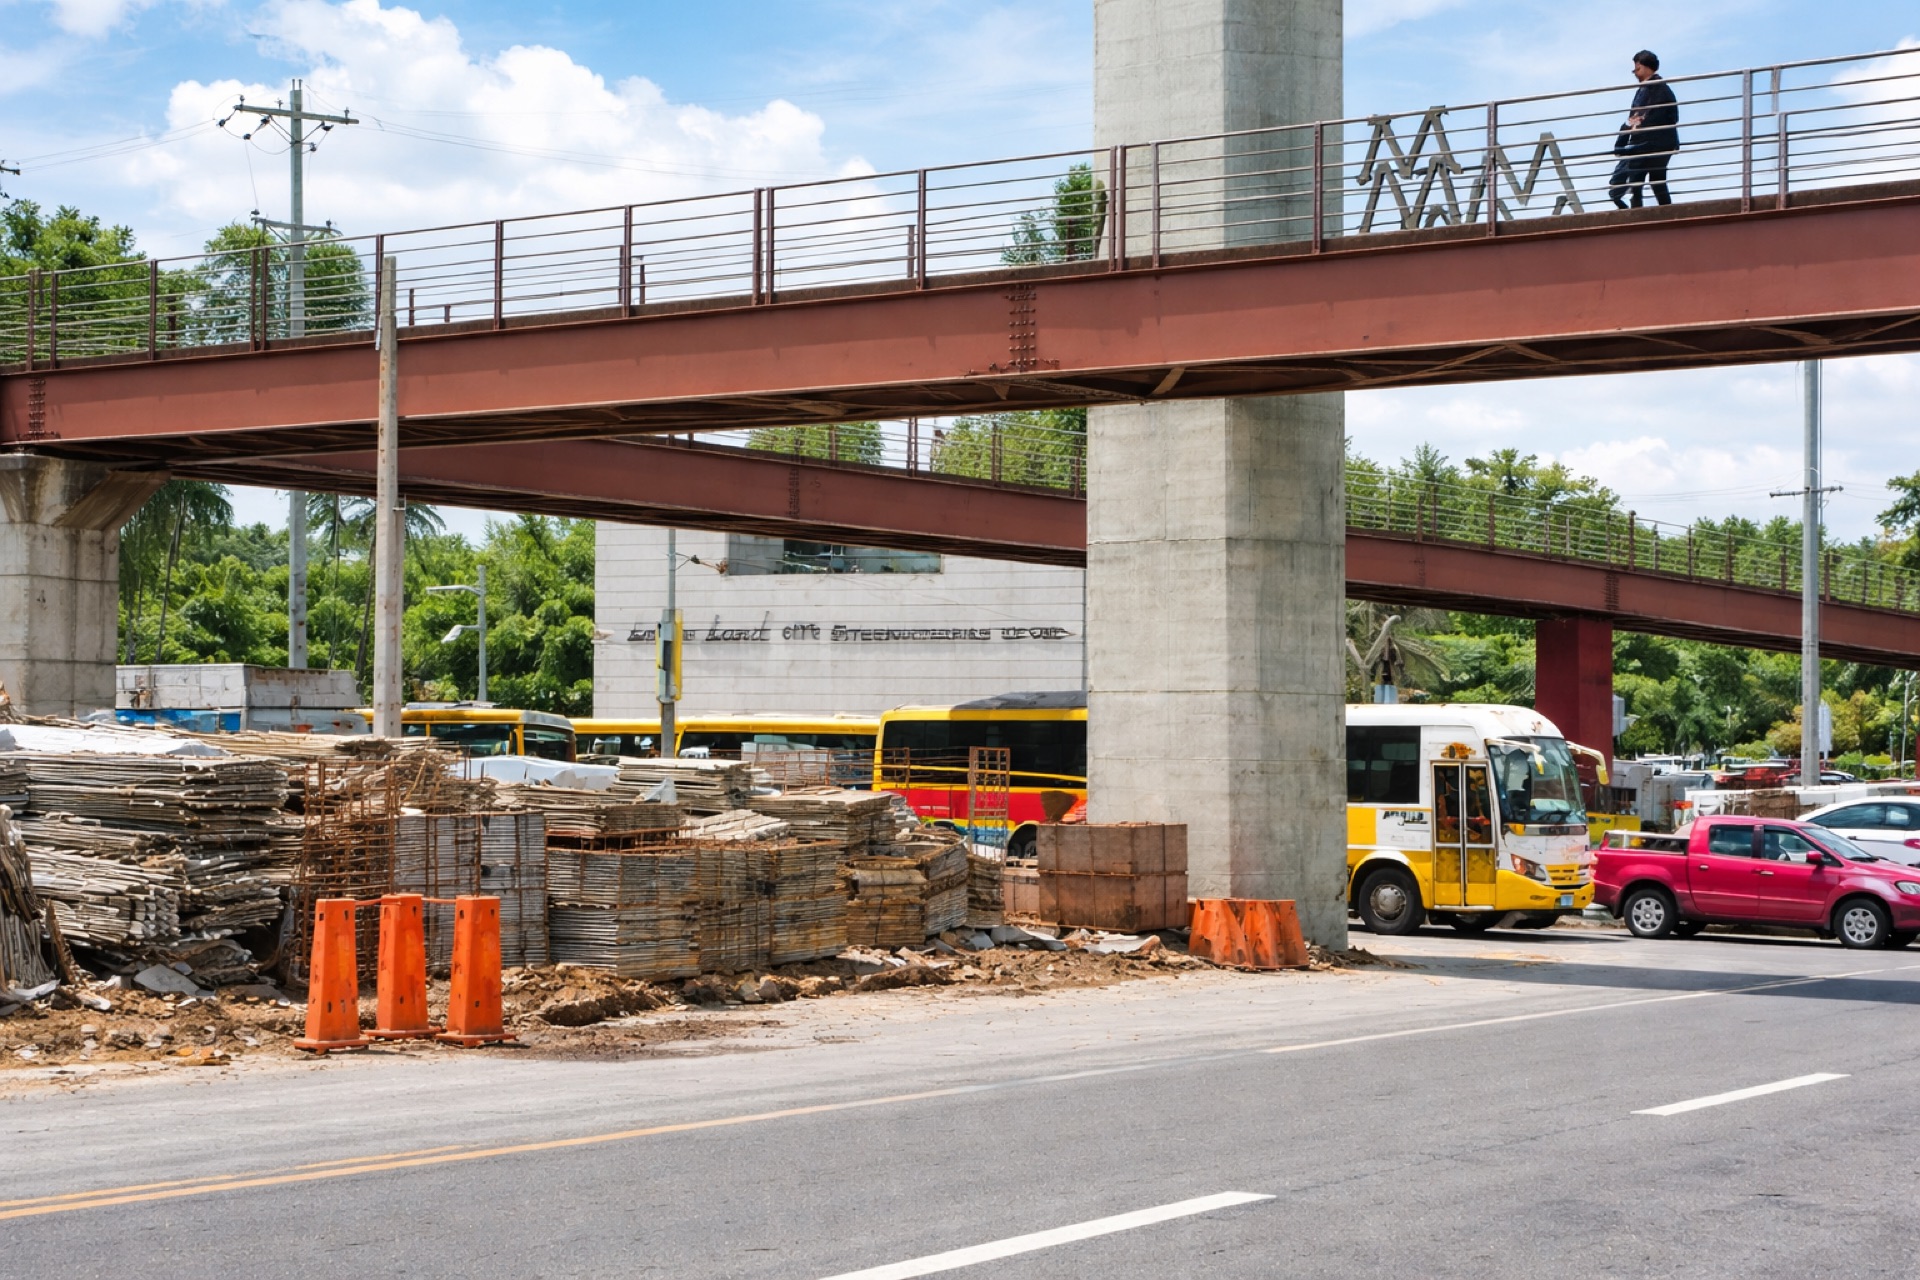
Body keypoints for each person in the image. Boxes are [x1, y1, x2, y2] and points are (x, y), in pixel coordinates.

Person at [1609, 50, 1681, 208]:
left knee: (1642, 179)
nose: (1635, 73)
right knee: (1655, 180)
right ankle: (1665, 211)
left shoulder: (1658, 89)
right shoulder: (1649, 89)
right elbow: (1634, 117)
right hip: (1654, 142)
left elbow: (1664, 116)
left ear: (1647, 67)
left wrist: (1637, 126)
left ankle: (1642, 211)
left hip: (1651, 143)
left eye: (1638, 68)